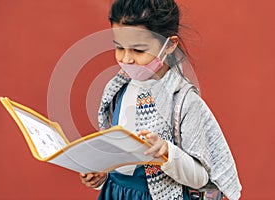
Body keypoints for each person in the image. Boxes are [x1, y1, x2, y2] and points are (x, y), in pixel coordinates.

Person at [79, 0, 242, 199]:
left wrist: (167, 153)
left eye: (139, 50)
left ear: (169, 45)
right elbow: (118, 158)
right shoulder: (117, 90)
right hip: (115, 193)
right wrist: (101, 174)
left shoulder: (184, 102)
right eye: (119, 47)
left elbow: (201, 178)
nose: (127, 59)